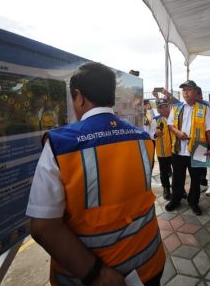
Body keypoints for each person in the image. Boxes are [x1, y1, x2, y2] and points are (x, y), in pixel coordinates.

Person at [26, 63, 165, 286]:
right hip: (150, 261)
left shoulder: (60, 145)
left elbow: (43, 228)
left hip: (101, 278)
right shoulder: (142, 137)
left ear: (79, 97)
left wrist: (96, 274)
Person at [165, 80, 210, 216]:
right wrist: (178, 133)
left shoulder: (204, 109)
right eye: (184, 90)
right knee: (177, 176)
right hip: (178, 148)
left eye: (188, 90)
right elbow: (170, 125)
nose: (185, 92)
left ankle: (193, 202)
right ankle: (176, 199)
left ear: (195, 92)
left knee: (196, 178)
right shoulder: (176, 108)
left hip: (198, 148)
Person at [153, 98, 174, 200]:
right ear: (158, 110)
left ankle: (179, 189)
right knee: (164, 172)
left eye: (165, 106)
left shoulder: (175, 118)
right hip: (162, 152)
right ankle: (166, 188)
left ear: (169, 107)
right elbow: (149, 134)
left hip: (175, 151)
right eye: (160, 107)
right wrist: (155, 134)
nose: (163, 109)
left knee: (178, 172)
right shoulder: (155, 120)